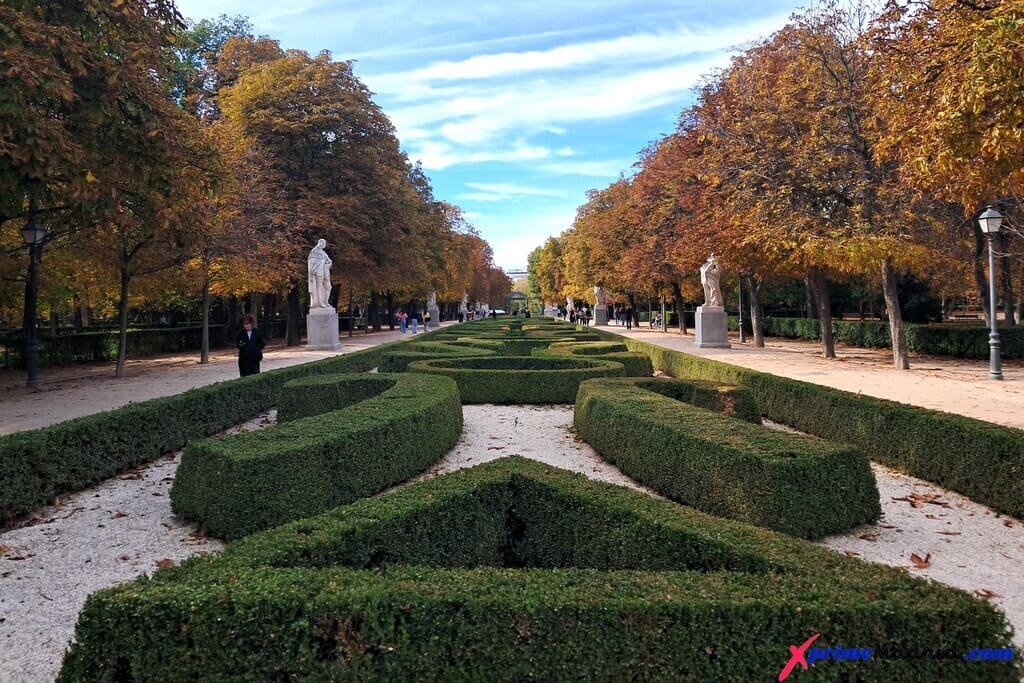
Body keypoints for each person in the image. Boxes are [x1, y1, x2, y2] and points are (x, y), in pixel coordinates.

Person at [307, 239, 333, 309]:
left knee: (329, 287)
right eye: (324, 243)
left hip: (325, 272)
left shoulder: (323, 253)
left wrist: (328, 263)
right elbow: (311, 256)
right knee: (319, 286)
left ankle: (325, 301)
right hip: (319, 271)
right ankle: (320, 303)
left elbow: (330, 261)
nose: (325, 244)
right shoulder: (315, 252)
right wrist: (318, 245)